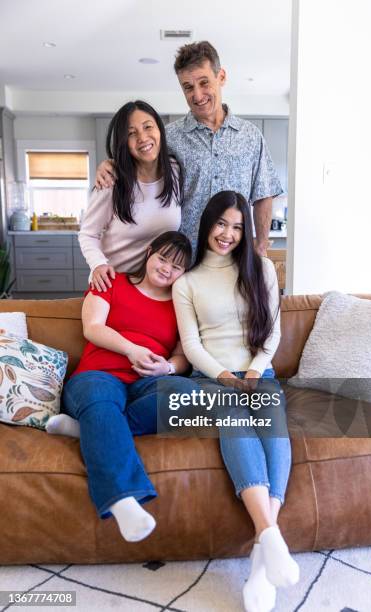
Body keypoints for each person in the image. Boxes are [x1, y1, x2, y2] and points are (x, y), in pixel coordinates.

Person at [172, 192, 298, 612]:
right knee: (232, 414)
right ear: (207, 223)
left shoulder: (260, 268)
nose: (228, 234)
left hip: (257, 373)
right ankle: (269, 536)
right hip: (212, 378)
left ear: (246, 231)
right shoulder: (186, 282)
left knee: (272, 418)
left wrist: (256, 371)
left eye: (237, 227)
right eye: (221, 224)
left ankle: (263, 555)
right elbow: (191, 345)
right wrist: (225, 377)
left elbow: (274, 333)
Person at [46, 231, 198, 543]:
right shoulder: (111, 282)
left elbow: (184, 356)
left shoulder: (182, 304)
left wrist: (167, 367)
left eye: (177, 267)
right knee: (100, 400)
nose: (167, 268)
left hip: (148, 383)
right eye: (163, 258)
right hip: (99, 375)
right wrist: (131, 349)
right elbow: (93, 327)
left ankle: (87, 428)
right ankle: (123, 500)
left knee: (188, 394)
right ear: (149, 251)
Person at [95, 41, 283, 258]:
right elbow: (138, 165)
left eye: (204, 83)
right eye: (188, 87)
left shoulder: (251, 136)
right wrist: (110, 164)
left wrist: (260, 248)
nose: (197, 95)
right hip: (185, 261)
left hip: (237, 259)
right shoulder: (169, 138)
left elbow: (263, 195)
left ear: (221, 77)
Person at [79, 100, 183, 292]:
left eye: (148, 127)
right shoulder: (112, 181)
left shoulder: (175, 171)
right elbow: (88, 233)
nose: (142, 137)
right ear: (123, 142)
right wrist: (98, 264)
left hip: (153, 287)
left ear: (159, 129)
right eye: (131, 133)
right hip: (113, 283)